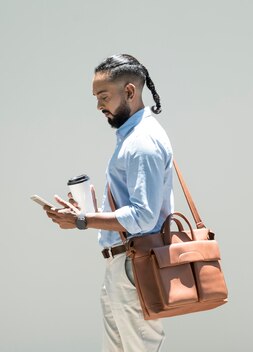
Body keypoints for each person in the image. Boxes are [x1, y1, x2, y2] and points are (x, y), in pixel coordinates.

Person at [43, 54, 173, 351]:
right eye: (96, 97)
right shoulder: (132, 137)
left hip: (135, 264)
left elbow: (143, 217)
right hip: (124, 263)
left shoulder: (142, 141)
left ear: (129, 92)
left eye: (104, 96)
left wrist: (82, 220)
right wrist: (87, 214)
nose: (99, 105)